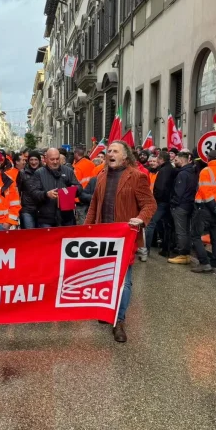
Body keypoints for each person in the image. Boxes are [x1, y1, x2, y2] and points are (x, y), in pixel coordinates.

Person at [84, 141, 157, 343]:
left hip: (124, 238)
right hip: (102, 239)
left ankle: (120, 320)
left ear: (125, 157)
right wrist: (86, 230)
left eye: (115, 151)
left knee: (123, 282)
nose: (110, 154)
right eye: (109, 151)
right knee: (105, 278)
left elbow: (150, 204)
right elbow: (93, 206)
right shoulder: (101, 175)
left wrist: (141, 219)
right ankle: (108, 313)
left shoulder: (137, 177)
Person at [32, 148, 82, 228]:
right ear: (46, 159)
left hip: (67, 217)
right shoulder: (39, 173)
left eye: (57, 159)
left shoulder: (68, 171)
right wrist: (46, 194)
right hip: (46, 218)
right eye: (52, 159)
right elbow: (34, 193)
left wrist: (74, 189)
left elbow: (79, 188)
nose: (55, 162)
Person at [142, 154, 175, 260]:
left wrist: (155, 198)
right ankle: (166, 249)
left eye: (156, 161)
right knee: (166, 226)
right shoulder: (171, 169)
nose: (153, 162)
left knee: (151, 224)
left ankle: (146, 250)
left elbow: (160, 187)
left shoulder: (163, 170)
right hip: (168, 201)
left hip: (160, 201)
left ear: (160, 160)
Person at [168, 151, 198, 264]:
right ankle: (186, 254)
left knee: (180, 231)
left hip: (181, 206)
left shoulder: (182, 174)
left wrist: (173, 204)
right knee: (186, 231)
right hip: (189, 204)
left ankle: (182, 254)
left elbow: (178, 192)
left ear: (181, 160)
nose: (175, 161)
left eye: (176, 160)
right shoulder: (192, 172)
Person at [18, 151, 41, 229]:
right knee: (30, 234)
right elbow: (18, 191)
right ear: (28, 161)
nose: (33, 162)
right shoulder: (22, 173)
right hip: (27, 209)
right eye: (31, 160)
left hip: (41, 209)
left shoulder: (44, 172)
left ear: (39, 161)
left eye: (36, 160)